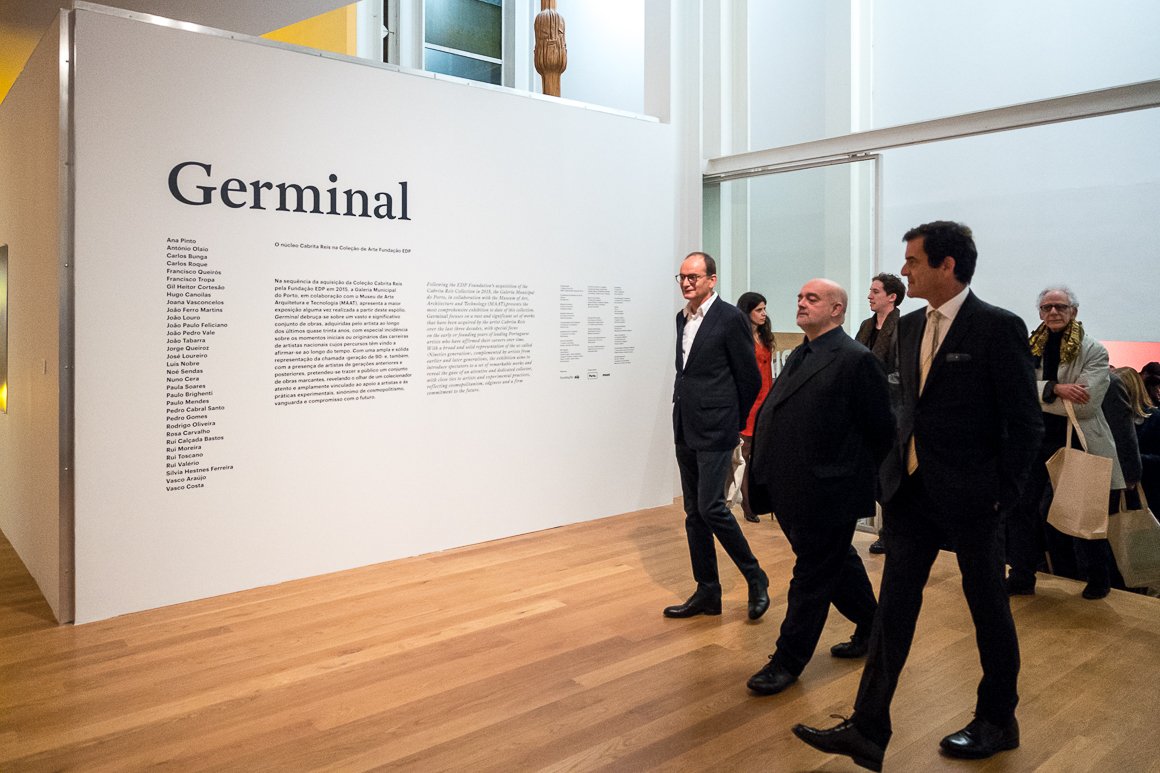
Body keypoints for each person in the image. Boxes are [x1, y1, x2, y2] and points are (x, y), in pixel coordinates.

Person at [793, 221, 1043, 771]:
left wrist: (1003, 494)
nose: (903, 270)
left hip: (974, 498)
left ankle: (998, 720)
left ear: (947, 265)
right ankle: (867, 727)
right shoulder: (906, 328)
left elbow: (1026, 423)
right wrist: (889, 471)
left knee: (988, 609)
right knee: (893, 612)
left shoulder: (997, 327)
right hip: (910, 495)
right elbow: (905, 407)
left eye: (912, 260)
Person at [743, 279, 894, 696]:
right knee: (835, 563)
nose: (801, 303)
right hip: (793, 486)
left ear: (837, 309)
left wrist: (859, 480)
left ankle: (787, 660)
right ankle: (874, 627)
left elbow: (881, 430)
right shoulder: (801, 354)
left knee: (811, 576)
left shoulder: (856, 360)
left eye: (812, 299)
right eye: (799, 297)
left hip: (830, 490)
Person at [666, 251, 769, 620]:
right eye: (682, 277)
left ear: (712, 280)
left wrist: (732, 421)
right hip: (686, 424)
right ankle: (708, 590)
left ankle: (755, 577)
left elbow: (749, 378)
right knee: (694, 512)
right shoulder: (682, 317)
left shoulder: (729, 317)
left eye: (693, 276)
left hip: (717, 427)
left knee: (711, 507)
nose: (686, 282)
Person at [1005, 287, 1125, 600]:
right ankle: (1021, 576)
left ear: (1073, 311)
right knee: (1021, 509)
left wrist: (1035, 392)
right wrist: (1054, 389)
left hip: (1078, 440)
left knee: (1083, 510)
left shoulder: (1093, 350)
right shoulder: (1029, 345)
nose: (1053, 312)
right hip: (1033, 440)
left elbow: (1085, 405)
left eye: (1060, 306)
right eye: (1047, 307)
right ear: (1040, 312)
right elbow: (1013, 390)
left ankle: (1098, 578)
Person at [856, 273, 906, 554]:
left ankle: (891, 534)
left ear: (892, 297)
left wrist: (872, 382)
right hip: (865, 410)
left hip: (891, 411)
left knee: (888, 476)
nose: (869, 296)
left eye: (875, 291)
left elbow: (903, 374)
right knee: (871, 475)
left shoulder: (903, 327)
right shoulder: (866, 325)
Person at [733, 291, 775, 523]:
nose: (763, 314)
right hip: (750, 401)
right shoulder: (741, 337)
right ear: (747, 311)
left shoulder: (763, 335)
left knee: (761, 452)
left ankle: (759, 499)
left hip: (766, 400)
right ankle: (747, 503)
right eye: (759, 310)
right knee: (745, 453)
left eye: (764, 309)